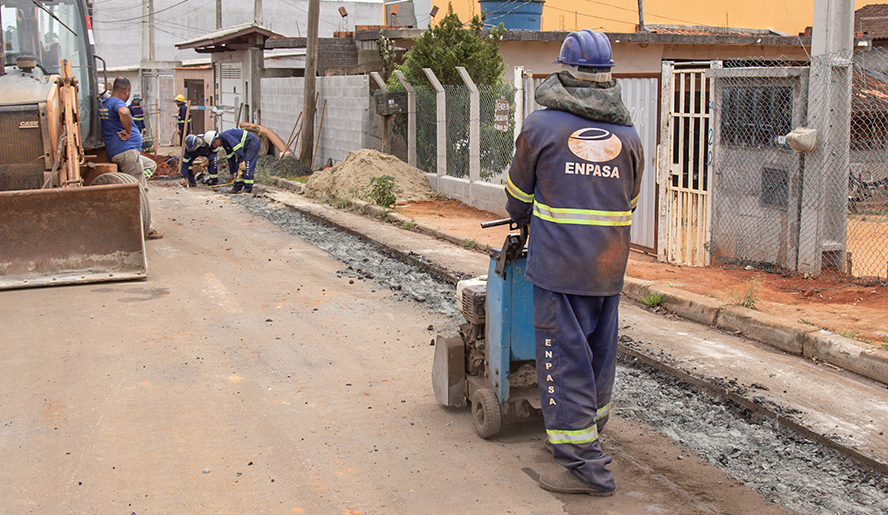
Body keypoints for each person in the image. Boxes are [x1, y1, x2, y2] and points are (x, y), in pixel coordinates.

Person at [504, 29, 644, 496]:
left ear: (563, 71)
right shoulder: (628, 135)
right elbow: (631, 199)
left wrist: (526, 218)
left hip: (559, 268)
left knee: (563, 362)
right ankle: (587, 436)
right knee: (598, 357)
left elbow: (517, 196)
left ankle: (586, 470)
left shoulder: (540, 127)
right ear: (607, 77)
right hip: (608, 269)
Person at [99, 77, 162, 239]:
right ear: (126, 91)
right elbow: (124, 112)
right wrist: (128, 132)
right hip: (127, 153)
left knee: (150, 165)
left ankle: (137, 181)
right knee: (140, 191)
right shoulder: (116, 103)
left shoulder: (105, 104)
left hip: (127, 153)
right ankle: (146, 229)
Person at [205, 128, 260, 194]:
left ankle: (248, 189)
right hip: (243, 148)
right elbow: (231, 158)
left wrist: (242, 161)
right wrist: (232, 173)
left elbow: (237, 147)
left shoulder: (226, 136)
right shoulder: (224, 143)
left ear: (216, 140)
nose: (215, 146)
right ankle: (237, 187)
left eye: (214, 144)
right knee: (238, 167)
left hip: (252, 143)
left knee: (247, 166)